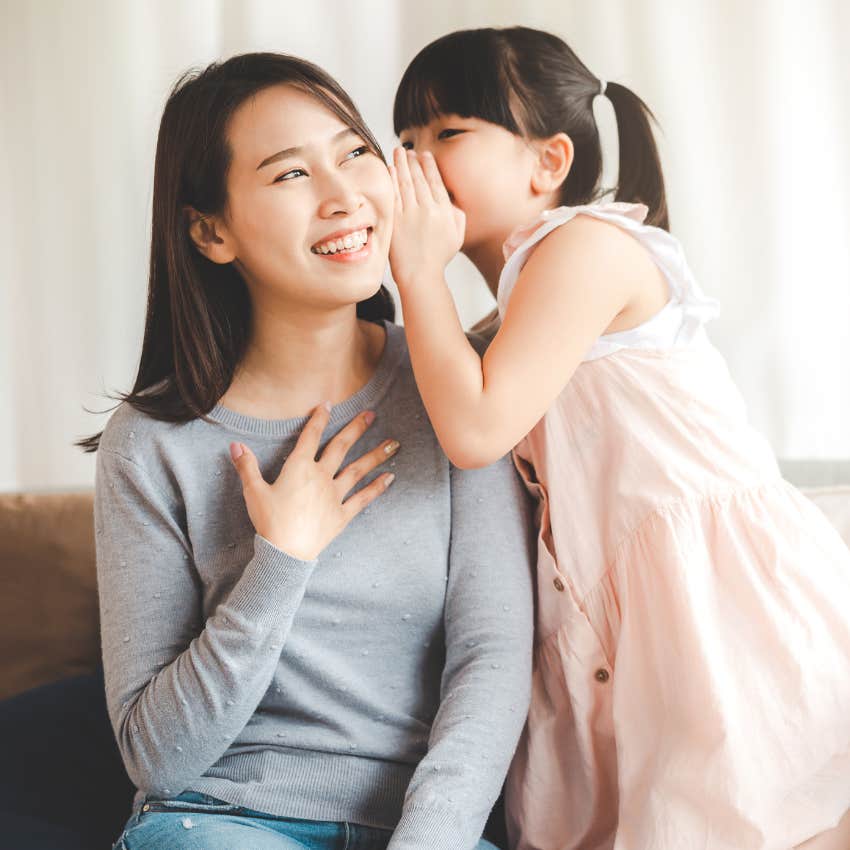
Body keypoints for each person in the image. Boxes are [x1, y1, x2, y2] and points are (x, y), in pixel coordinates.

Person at [388, 25, 850, 850]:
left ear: (549, 162)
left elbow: (476, 431)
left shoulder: (586, 247)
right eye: (405, 142)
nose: (416, 163)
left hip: (719, 604)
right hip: (626, 627)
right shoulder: (506, 315)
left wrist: (418, 273)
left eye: (448, 133)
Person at [80, 51, 534, 850]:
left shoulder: (453, 391)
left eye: (355, 153)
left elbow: (491, 657)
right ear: (210, 231)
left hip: (424, 829)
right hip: (219, 822)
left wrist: (430, 841)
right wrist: (281, 560)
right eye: (291, 175)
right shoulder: (151, 445)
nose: (343, 196)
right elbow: (156, 758)